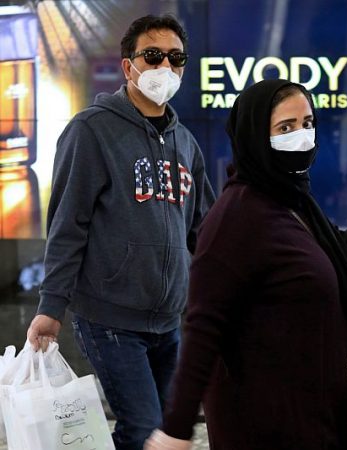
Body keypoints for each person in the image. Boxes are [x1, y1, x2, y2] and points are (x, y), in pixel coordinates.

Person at [144, 79, 347, 450]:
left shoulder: (291, 200)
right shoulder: (235, 218)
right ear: (254, 136)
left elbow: (318, 241)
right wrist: (176, 428)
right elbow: (203, 328)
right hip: (268, 423)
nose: (301, 136)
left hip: (316, 415)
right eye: (285, 128)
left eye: (307, 123)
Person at [26, 14, 215, 450]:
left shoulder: (186, 143)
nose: (165, 66)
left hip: (168, 322)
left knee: (166, 431)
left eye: (175, 58)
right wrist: (51, 306)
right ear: (128, 66)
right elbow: (68, 225)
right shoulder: (90, 130)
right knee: (143, 427)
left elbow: (204, 232)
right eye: (153, 56)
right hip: (109, 318)